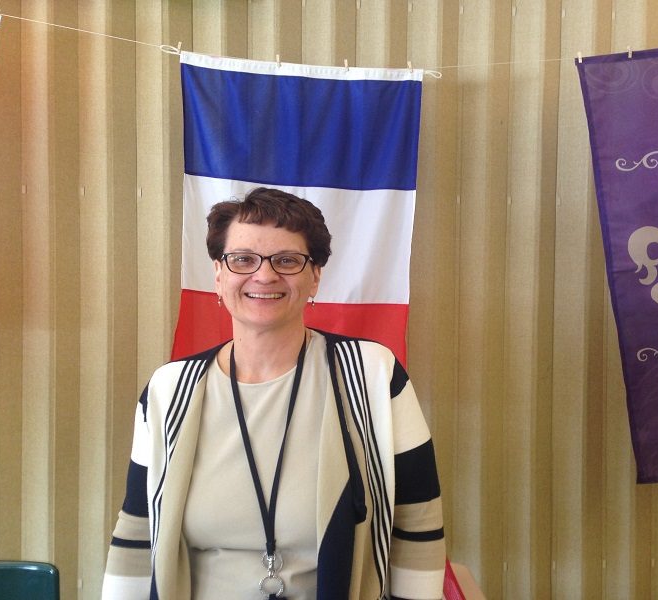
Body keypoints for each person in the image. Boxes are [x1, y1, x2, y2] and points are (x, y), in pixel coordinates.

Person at [102, 187, 445, 599]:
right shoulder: (168, 391)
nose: (264, 276)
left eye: (287, 261)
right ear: (218, 273)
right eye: (242, 260)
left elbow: (418, 522)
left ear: (315, 275)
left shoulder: (374, 376)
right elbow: (137, 534)